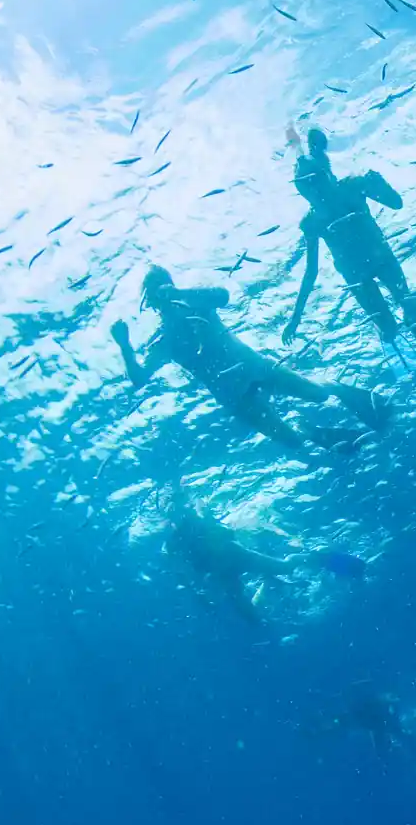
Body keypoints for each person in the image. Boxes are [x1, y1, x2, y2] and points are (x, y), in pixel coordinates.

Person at [111, 265, 387, 458]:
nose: (163, 296)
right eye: (156, 293)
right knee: (291, 442)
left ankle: (348, 395)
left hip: (255, 366)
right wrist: (124, 345)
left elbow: (223, 296)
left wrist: (178, 293)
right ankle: (313, 431)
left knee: (317, 394)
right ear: (149, 302)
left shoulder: (197, 304)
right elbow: (139, 379)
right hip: (234, 396)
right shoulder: (164, 339)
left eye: (164, 287)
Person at [281, 126, 416, 388]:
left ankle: (410, 349)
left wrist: (296, 317)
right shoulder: (346, 192)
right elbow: (396, 202)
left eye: (311, 183)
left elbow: (311, 272)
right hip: (376, 263)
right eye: (307, 186)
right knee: (404, 321)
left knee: (399, 324)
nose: (314, 190)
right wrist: (374, 180)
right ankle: (413, 340)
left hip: (362, 272)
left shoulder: (321, 213)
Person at [162, 487, 365, 624]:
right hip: (221, 572)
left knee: (285, 567)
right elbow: (183, 573)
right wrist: (199, 595)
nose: (176, 511)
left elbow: (222, 530)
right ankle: (267, 589)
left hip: (236, 556)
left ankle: (323, 557)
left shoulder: (197, 518)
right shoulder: (172, 543)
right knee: (249, 615)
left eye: (177, 505)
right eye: (172, 509)